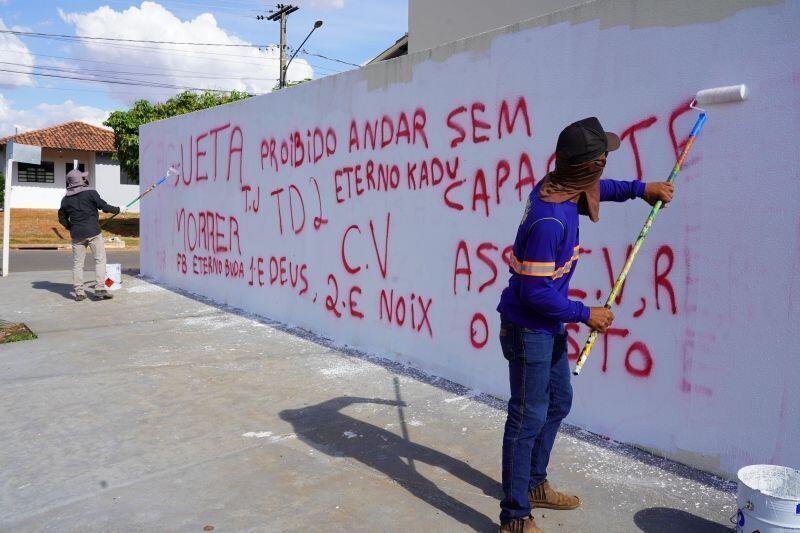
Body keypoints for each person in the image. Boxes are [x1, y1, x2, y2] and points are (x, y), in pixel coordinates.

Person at [496, 117, 674, 532]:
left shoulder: (564, 183)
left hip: (546, 325)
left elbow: (599, 189)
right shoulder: (550, 221)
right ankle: (515, 518)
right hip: (529, 329)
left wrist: (640, 189)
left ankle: (534, 484)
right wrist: (585, 314)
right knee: (526, 417)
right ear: (588, 167)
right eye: (603, 160)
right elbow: (533, 292)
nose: (605, 167)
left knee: (557, 402)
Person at [58, 167, 123, 301]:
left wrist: (71, 227)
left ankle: (79, 292)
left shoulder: (66, 199)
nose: (85, 178)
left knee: (78, 264)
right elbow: (104, 207)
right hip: (93, 232)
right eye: (83, 177)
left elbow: (61, 218)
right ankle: (99, 289)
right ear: (80, 180)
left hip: (77, 235)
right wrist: (119, 209)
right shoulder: (91, 193)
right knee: (100, 260)